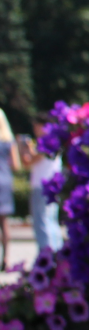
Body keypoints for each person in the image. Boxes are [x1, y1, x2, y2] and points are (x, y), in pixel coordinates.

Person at [21, 122, 62, 252]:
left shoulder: (46, 143)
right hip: (53, 185)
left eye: (36, 126)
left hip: (41, 186)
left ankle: (47, 254)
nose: (35, 130)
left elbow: (29, 161)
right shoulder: (56, 141)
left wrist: (25, 148)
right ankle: (57, 252)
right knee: (51, 221)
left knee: (41, 222)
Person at [0, 111, 14, 267]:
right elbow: (15, 165)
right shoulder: (8, 141)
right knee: (4, 223)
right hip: (4, 180)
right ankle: (5, 258)